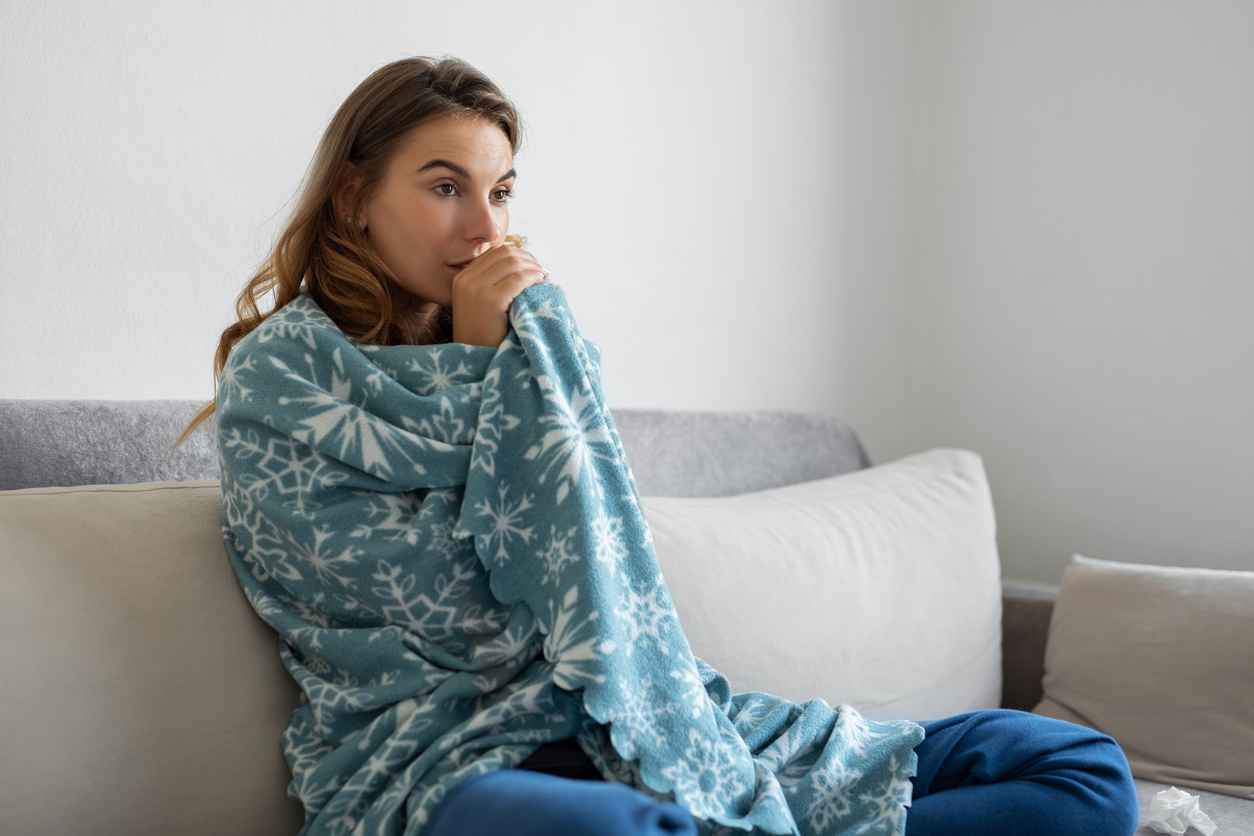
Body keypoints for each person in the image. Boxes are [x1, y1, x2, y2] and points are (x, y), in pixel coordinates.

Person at [176, 55, 1140, 836]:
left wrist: (507, 362)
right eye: (445, 187)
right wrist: (481, 366)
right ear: (353, 199)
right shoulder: (282, 380)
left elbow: (604, 584)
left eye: (502, 191)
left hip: (639, 719)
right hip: (440, 754)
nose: (485, 228)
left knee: (1080, 771)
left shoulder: (533, 353)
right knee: (631, 834)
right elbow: (455, 619)